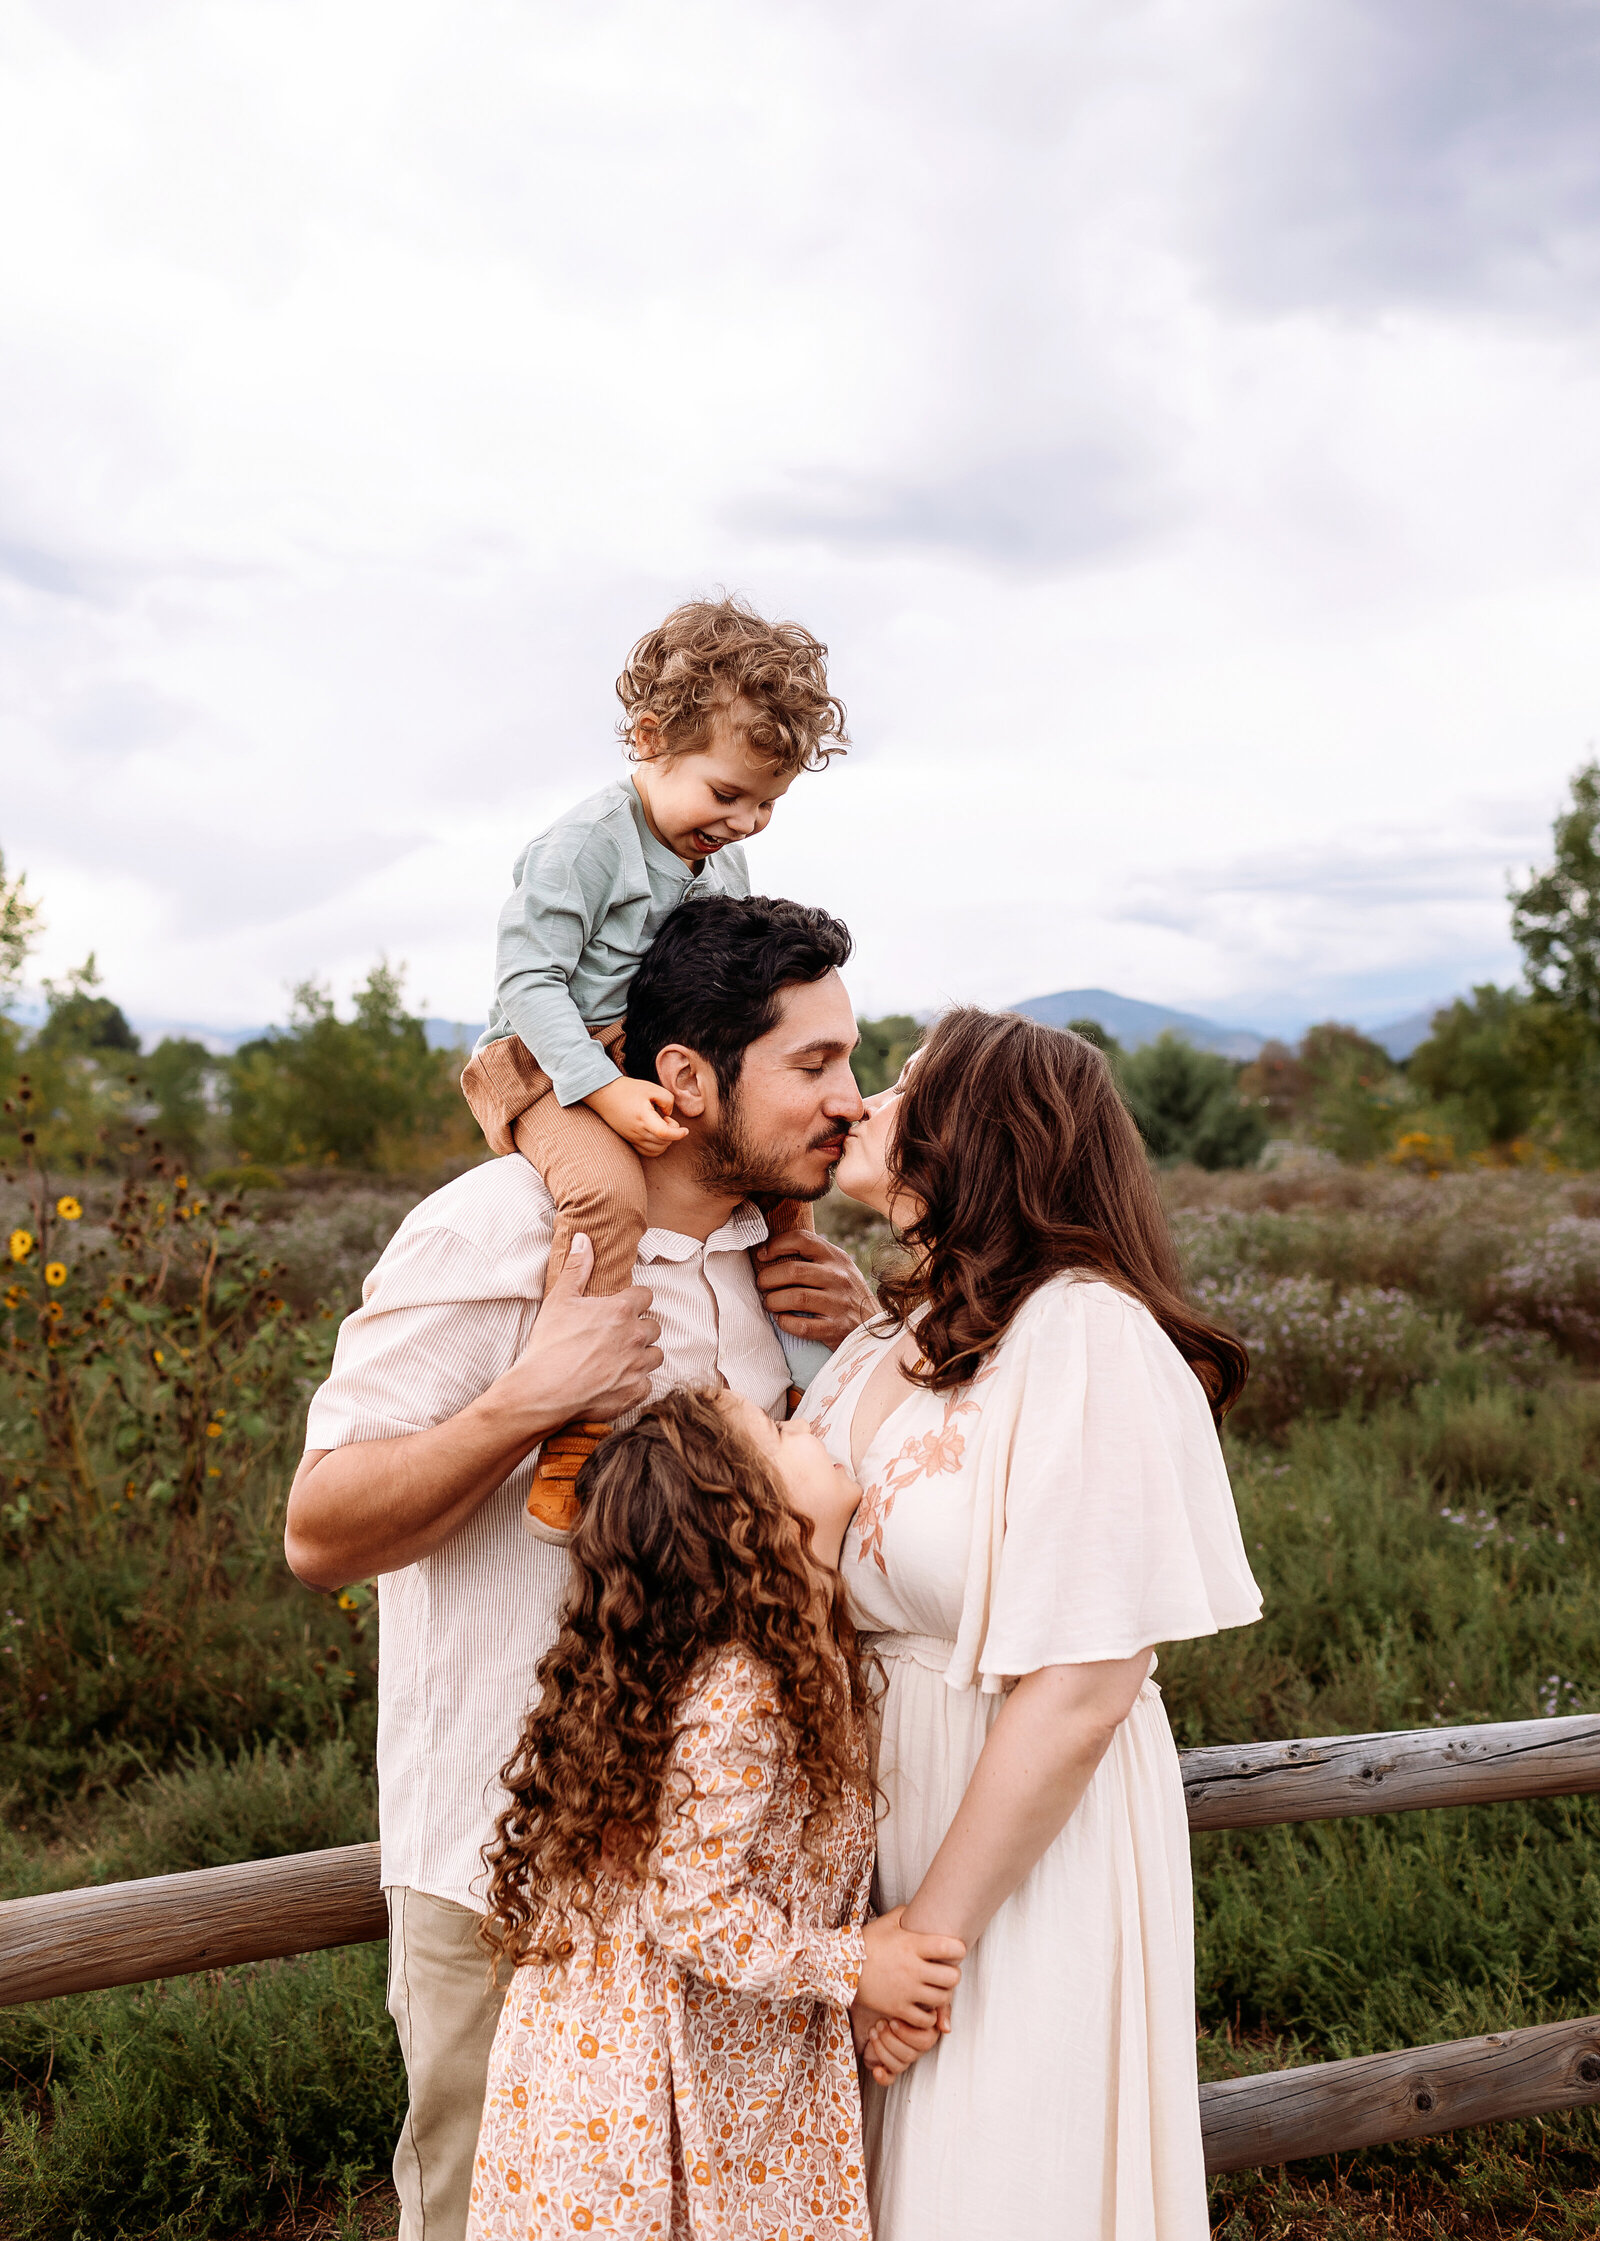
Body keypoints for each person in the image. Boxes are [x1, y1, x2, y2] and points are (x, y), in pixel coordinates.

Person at [284, 894, 875, 2241]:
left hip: (734, 1893)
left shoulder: (769, 1265)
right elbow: (317, 1533)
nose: (849, 1097)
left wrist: (868, 1342)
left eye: (851, 1058)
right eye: (814, 1063)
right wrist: (520, 1402)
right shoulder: (492, 1233)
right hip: (514, 1869)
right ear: (684, 1077)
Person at [802, 1007, 1263, 2241]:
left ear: (976, 1130)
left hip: (1009, 1851)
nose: (863, 1103)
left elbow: (1084, 1681)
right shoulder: (881, 1338)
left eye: (901, 1082)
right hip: (874, 1842)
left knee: (996, 2182)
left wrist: (921, 1947)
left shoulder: (1087, 1336)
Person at [467, 1387, 964, 2241]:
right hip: (655, 2072)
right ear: (749, 1513)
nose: (807, 1422)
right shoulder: (746, 1687)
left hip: (720, 2048)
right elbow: (691, 1907)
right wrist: (852, 1968)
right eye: (778, 1430)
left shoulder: (799, 1656)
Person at [458, 597, 849, 1521]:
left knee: (779, 1195)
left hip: (644, 1057)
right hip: (544, 1061)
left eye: (767, 804)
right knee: (606, 1197)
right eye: (727, 795)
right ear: (648, 738)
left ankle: (807, 1391)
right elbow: (528, 982)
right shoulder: (587, 845)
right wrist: (602, 1090)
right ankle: (576, 1435)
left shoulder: (721, 862)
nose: (746, 821)